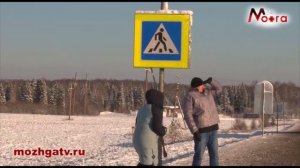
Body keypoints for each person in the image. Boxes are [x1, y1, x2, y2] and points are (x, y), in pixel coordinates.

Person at [182, 77, 222, 166]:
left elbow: (219, 89)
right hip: (201, 131)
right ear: (196, 87)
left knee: (214, 155)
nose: (203, 86)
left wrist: (212, 81)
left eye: (203, 84)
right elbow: (188, 115)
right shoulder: (190, 96)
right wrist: (194, 131)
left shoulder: (208, 93)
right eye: (201, 85)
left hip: (213, 128)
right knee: (199, 156)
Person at [133, 89, 167, 166]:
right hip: (147, 142)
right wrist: (164, 130)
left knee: (144, 162)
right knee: (151, 163)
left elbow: (138, 123)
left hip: (137, 140)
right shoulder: (156, 109)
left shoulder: (142, 109)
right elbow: (157, 128)